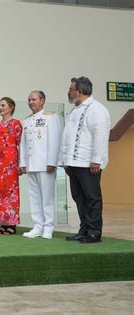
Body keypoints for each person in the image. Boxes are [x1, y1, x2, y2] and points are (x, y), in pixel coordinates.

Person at [60, 77, 110, 243]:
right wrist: (65, 160)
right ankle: (84, 229)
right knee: (79, 198)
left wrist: (97, 160)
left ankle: (94, 232)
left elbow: (101, 136)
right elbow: (67, 137)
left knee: (92, 198)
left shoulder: (97, 109)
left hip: (88, 164)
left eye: (71, 89)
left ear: (79, 91)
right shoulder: (74, 110)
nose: (69, 91)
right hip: (73, 163)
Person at [19, 91, 61, 240]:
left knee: (47, 198)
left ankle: (48, 227)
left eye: (34, 99)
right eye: (29, 99)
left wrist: (52, 162)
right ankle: (37, 226)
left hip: (45, 164)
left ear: (42, 100)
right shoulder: (27, 120)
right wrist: (23, 163)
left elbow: (55, 139)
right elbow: (23, 143)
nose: (31, 102)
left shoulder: (51, 116)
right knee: (34, 197)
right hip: (31, 164)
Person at [0, 97, 23, 235]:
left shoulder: (16, 124)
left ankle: (11, 224)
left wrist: (20, 163)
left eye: (3, 105)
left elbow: (21, 145)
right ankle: (2, 222)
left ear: (11, 107)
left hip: (10, 163)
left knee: (10, 193)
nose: (0, 108)